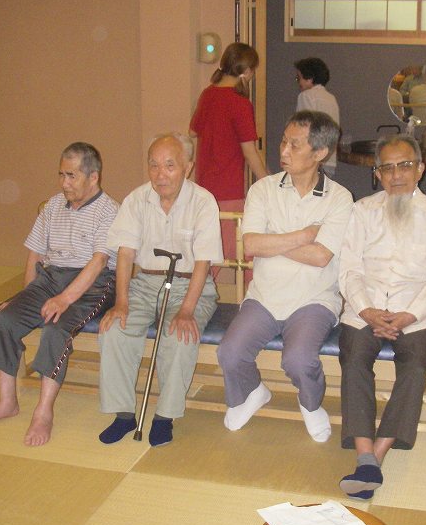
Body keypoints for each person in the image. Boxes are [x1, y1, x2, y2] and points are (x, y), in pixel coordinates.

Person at [217, 110, 353, 443]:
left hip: (313, 300)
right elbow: (251, 245)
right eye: (283, 141)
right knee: (229, 352)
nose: (284, 151)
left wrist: (274, 241)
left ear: (320, 153)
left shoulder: (339, 198)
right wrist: (304, 235)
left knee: (298, 359)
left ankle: (310, 404)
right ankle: (252, 392)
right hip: (264, 296)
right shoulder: (263, 189)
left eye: (295, 144)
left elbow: (321, 257)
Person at [0, 142, 118, 447]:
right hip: (51, 278)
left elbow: (98, 262)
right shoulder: (52, 205)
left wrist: (64, 300)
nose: (64, 183)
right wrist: (26, 296)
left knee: (55, 326)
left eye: (72, 176)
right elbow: (35, 254)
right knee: (6, 318)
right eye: (61, 174)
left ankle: (43, 411)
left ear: (93, 177)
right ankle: (7, 402)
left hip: (93, 284)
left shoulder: (109, 211)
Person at [337, 134, 426, 499]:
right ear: (377, 174)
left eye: (405, 165)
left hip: (416, 313)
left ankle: (376, 455)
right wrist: (367, 310)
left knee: (415, 367)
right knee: (353, 359)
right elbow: (348, 269)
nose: (396, 175)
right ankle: (364, 455)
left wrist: (409, 315)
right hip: (365, 309)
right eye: (387, 168)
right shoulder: (362, 211)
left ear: (420, 168)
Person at [97, 133, 222, 447]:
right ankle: (124, 414)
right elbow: (125, 254)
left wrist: (187, 310)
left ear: (187, 167)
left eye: (169, 165)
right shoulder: (136, 199)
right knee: (115, 329)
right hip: (145, 283)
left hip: (190, 285)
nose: (160, 174)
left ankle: (165, 416)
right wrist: (121, 302)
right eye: (153, 165)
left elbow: (203, 262)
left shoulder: (203, 201)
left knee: (179, 335)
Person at [190, 42, 268, 284]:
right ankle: (253, 298)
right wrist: (269, 184)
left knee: (208, 254)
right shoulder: (239, 103)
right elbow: (250, 152)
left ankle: (196, 297)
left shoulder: (208, 94)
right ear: (246, 71)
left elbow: (193, 131)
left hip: (204, 187)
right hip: (228, 189)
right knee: (246, 253)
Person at [294, 57, 340, 177]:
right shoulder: (331, 98)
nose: (298, 83)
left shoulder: (306, 96)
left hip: (312, 156)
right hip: (329, 157)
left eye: (299, 78)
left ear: (309, 78)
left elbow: (303, 128)